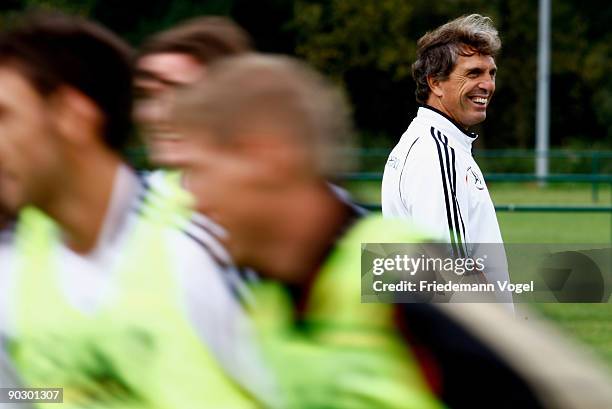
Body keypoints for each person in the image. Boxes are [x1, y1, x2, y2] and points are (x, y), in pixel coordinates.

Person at [0, 12, 273, 407]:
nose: (156, 113)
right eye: (149, 95)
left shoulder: (214, 234)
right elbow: (24, 393)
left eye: (6, 116)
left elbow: (379, 270)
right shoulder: (16, 260)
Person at [171, 53, 444, 408]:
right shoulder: (263, 309)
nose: (192, 199)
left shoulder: (399, 267)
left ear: (265, 157)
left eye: (200, 171)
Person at [380, 14, 511, 302]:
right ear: (435, 83)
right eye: (474, 73)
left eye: (491, 73)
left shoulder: (438, 143)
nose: (487, 85)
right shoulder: (436, 152)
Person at [134, 16, 253, 168]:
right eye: (147, 97)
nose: (156, 115)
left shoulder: (280, 188)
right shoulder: (133, 190)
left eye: (184, 95)